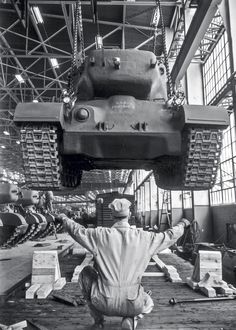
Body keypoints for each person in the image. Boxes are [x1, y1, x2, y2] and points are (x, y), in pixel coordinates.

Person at [57, 198, 190, 330]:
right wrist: (182, 224)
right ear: (130, 215)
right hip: (133, 303)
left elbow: (77, 230)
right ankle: (132, 319)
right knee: (148, 302)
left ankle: (99, 320)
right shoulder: (145, 238)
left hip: (102, 302)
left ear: (111, 215)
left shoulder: (99, 235)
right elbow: (169, 235)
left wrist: (64, 218)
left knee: (86, 272)